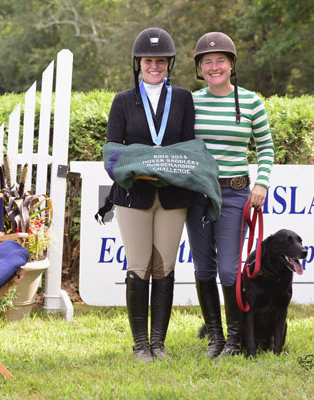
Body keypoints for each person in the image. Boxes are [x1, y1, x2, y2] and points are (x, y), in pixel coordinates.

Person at [105, 27, 195, 363]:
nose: (154, 66)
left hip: (172, 196)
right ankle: (140, 345)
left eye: (160, 61)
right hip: (134, 195)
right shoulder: (122, 101)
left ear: (169, 63)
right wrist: (141, 166)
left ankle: (159, 343)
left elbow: (190, 147)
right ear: (138, 63)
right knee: (139, 265)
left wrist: (171, 166)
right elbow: (112, 151)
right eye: (148, 60)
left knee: (164, 267)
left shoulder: (183, 99)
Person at [186, 32, 274, 357]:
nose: (214, 67)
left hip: (235, 194)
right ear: (199, 68)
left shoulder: (251, 102)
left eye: (220, 60)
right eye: (207, 61)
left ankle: (236, 339)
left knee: (228, 269)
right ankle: (215, 337)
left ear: (232, 65)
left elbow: (266, 147)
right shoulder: (191, 102)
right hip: (198, 194)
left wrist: (261, 183)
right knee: (203, 268)